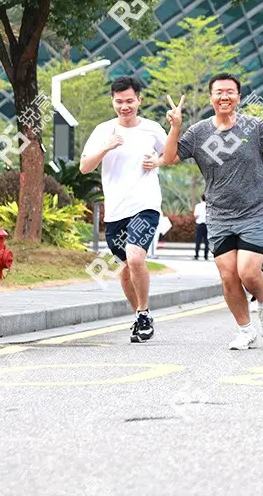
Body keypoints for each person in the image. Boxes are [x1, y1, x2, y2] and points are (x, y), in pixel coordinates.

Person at [160, 74, 263, 350]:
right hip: (219, 216)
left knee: (248, 273)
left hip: (253, 214)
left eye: (230, 92)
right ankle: (245, 330)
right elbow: (169, 157)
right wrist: (175, 127)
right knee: (228, 277)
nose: (225, 97)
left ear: (238, 97)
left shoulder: (254, 126)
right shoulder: (198, 132)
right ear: (211, 97)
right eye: (219, 92)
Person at [79, 76, 166, 343]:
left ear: (139, 100)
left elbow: (171, 154)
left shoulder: (152, 129)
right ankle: (140, 315)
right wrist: (106, 147)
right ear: (112, 101)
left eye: (129, 101)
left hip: (145, 205)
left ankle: (144, 313)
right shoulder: (102, 130)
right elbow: (85, 167)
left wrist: (157, 161)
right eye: (119, 102)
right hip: (116, 211)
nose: (124, 106)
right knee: (127, 266)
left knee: (136, 258)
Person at [193, 194, 208, 260]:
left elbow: (196, 215)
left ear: (201, 198)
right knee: (207, 241)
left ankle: (196, 255)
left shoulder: (198, 206)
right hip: (207, 225)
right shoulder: (209, 206)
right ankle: (206, 256)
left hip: (200, 225)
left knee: (198, 240)